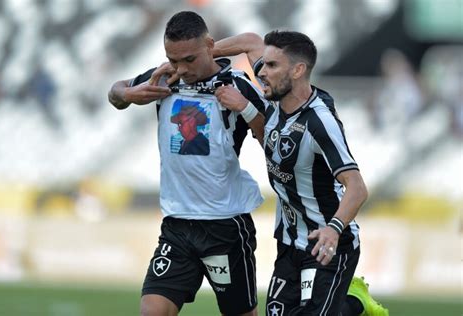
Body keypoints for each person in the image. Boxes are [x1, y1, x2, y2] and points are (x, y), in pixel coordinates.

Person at [209, 31, 389, 316]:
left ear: (297, 70)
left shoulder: (320, 122)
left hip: (328, 244)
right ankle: (351, 304)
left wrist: (333, 228)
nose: (261, 73)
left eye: (271, 66)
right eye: (263, 64)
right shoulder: (276, 93)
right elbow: (250, 42)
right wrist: (201, 57)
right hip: (290, 243)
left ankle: (353, 303)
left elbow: (357, 187)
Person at [108, 11, 269, 316]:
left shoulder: (237, 84)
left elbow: (270, 140)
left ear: (210, 45)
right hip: (177, 224)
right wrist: (129, 93)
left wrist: (246, 108)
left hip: (224, 224)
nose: (181, 68)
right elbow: (114, 92)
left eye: (189, 60)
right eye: (173, 59)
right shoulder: (165, 76)